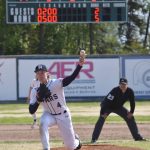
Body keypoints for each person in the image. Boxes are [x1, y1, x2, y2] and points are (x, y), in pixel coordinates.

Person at [29, 53, 85, 150]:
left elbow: (70, 79)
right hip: (49, 115)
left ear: (47, 74)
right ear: (36, 76)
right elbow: (31, 110)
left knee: (71, 146)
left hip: (63, 115)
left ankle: (77, 141)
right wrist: (38, 100)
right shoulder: (35, 90)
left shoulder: (56, 83)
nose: (40, 74)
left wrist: (80, 65)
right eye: (38, 73)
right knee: (42, 123)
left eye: (42, 72)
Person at [91, 77, 146, 143]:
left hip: (118, 107)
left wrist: (131, 112)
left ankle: (137, 137)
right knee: (101, 119)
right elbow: (106, 102)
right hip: (107, 106)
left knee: (130, 117)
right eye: (121, 84)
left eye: (124, 84)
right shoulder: (115, 90)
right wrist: (102, 113)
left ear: (127, 85)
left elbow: (132, 102)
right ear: (119, 84)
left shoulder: (130, 91)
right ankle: (94, 138)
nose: (122, 86)